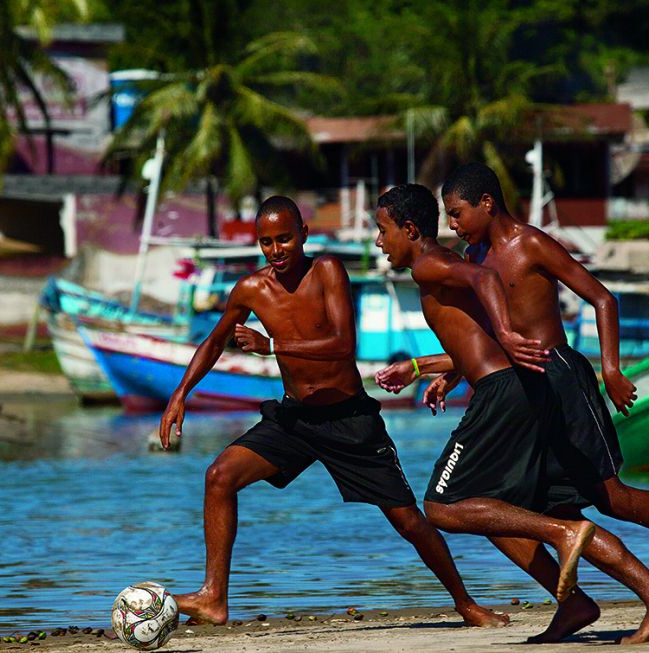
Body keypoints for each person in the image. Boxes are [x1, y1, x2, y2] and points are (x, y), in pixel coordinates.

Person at [158, 195, 508, 628]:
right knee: (219, 476)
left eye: (284, 238)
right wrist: (180, 393)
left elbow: (343, 344)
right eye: (266, 242)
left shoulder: (326, 270)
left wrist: (271, 346)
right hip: (294, 420)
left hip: (350, 421)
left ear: (303, 234)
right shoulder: (251, 289)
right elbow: (215, 340)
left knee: (408, 520)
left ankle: (465, 603)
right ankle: (214, 597)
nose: (276, 250)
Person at [435, 162, 649, 617]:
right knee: (522, 509)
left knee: (613, 497)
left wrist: (611, 368)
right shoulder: (474, 260)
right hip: (526, 395)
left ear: (486, 204)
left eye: (457, 213)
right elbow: (492, 336)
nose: (452, 225)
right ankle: (635, 602)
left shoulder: (529, 243)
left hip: (564, 379)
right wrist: (449, 373)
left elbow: (602, 298)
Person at [370, 184, 604, 611]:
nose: (378, 242)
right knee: (490, 509)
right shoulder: (443, 262)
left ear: (408, 228)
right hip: (507, 385)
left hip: (500, 391)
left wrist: (510, 335)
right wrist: (440, 371)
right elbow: (473, 338)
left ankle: (561, 533)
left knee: (442, 506)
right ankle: (575, 604)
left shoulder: (427, 266)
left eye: (383, 231)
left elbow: (486, 277)